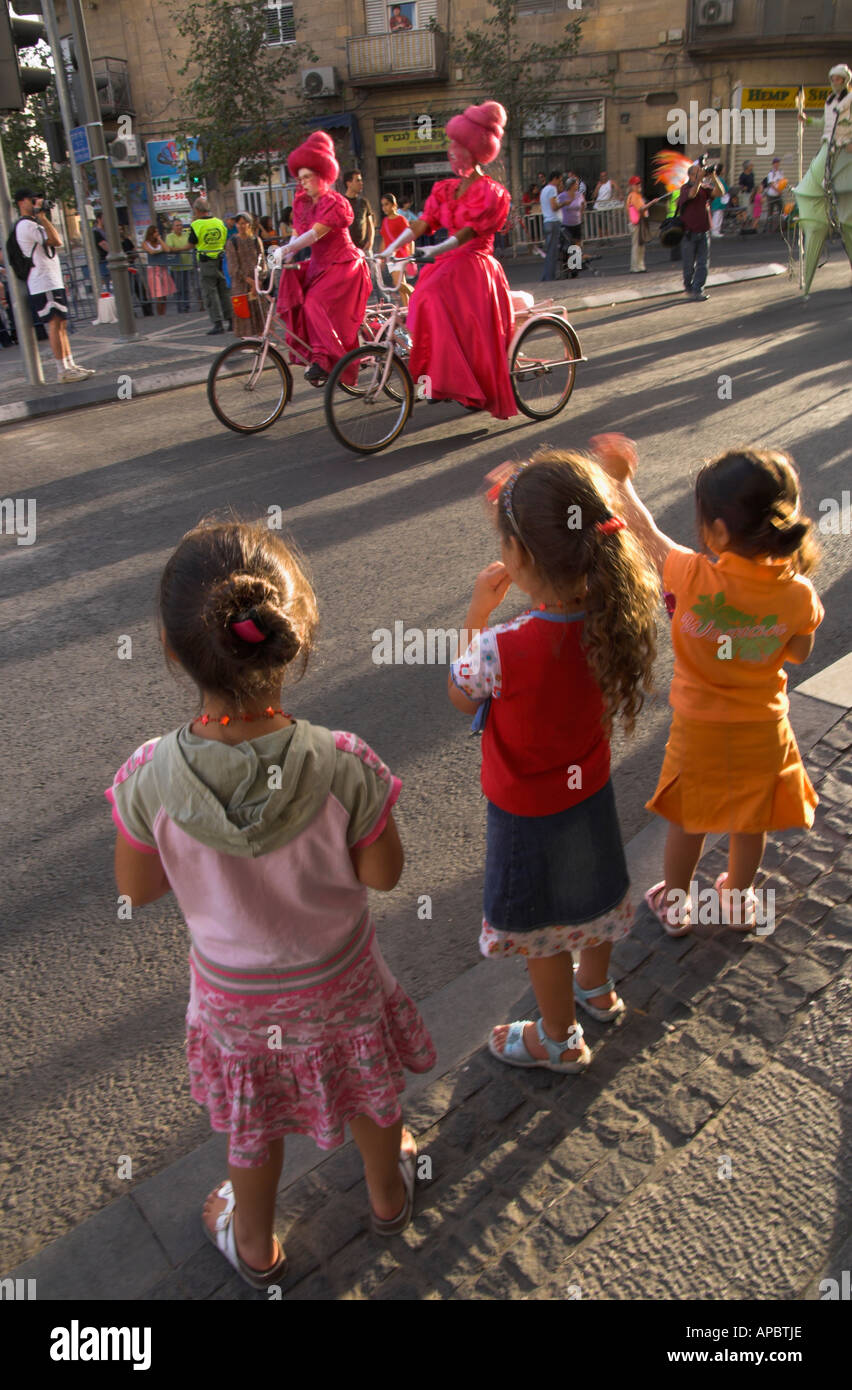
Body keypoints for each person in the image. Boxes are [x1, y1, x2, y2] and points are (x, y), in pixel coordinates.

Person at [105, 518, 436, 1288]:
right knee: (369, 1083)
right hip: (341, 979)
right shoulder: (344, 762)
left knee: (253, 1126)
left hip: (234, 998)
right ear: (296, 629)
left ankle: (254, 1243)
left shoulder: (148, 778)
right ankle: (388, 1194)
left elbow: (138, 887)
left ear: (170, 647)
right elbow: (383, 874)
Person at [447, 449, 658, 1072]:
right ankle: (598, 990)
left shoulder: (501, 647)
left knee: (543, 934)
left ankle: (559, 1039)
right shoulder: (616, 617)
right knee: (592, 902)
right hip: (589, 793)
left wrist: (476, 615)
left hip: (528, 812)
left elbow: (462, 695)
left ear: (517, 559)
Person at [594, 436, 823, 937]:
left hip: (699, 730)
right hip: (764, 728)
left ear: (718, 530)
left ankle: (676, 904)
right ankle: (739, 901)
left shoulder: (692, 575)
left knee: (689, 820)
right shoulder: (798, 594)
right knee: (751, 819)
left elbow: (645, 533)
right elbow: (799, 653)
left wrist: (619, 480)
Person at [376, 100, 515, 417]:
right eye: (451, 144)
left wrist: (436, 250)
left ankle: (451, 382)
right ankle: (440, 381)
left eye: (459, 144)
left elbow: (470, 231)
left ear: (476, 149)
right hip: (450, 263)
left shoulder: (491, 192)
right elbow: (424, 223)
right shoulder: (446, 188)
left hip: (475, 265)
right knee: (423, 303)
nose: (452, 150)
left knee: (429, 298)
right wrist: (388, 249)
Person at [273, 132, 371, 386]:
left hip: (344, 264)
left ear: (321, 175)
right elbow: (296, 238)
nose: (303, 183)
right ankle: (320, 358)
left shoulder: (334, 202)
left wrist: (286, 250)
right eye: (301, 178)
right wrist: (281, 256)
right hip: (320, 265)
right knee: (297, 295)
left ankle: (330, 361)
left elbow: (314, 236)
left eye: (308, 177)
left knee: (314, 302)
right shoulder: (302, 205)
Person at [11, 188, 94, 382]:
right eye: (33, 199)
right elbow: (56, 240)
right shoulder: (26, 225)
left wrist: (40, 217)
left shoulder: (35, 224)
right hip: (42, 282)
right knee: (55, 324)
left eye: (39, 199)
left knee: (62, 324)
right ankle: (61, 370)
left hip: (51, 280)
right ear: (22, 202)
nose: (38, 202)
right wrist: (42, 216)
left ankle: (69, 364)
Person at [795, 62, 852, 295]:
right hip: (827, 150)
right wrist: (807, 120)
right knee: (809, 187)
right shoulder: (829, 101)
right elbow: (825, 125)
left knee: (849, 218)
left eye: (839, 79)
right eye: (833, 78)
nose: (835, 82)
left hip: (846, 150)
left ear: (846, 81)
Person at [676, 160, 724, 301]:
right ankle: (689, 287)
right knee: (688, 265)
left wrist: (714, 176)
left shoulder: (704, 188)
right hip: (688, 234)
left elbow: (720, 192)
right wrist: (699, 180)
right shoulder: (685, 189)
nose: (702, 173)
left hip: (703, 233)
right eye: (698, 172)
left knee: (703, 264)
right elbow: (692, 194)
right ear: (691, 175)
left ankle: (698, 290)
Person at [189, 196, 232, 335]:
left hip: (206, 261)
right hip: (221, 259)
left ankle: (218, 323)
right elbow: (225, 240)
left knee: (210, 293)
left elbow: (191, 243)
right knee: (224, 292)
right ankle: (231, 321)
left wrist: (172, 249)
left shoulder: (196, 225)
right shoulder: (220, 223)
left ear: (196, 210)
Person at [226, 213, 266, 337]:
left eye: (244, 223)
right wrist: (249, 281)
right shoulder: (232, 242)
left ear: (249, 224)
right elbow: (233, 266)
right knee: (243, 312)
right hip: (241, 283)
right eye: (239, 223)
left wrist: (259, 279)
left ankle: (261, 337)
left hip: (256, 281)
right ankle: (247, 340)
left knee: (259, 310)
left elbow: (262, 260)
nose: (241, 226)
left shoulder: (255, 240)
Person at [379, 192, 412, 304]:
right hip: (390, 257)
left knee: (398, 283)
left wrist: (410, 256)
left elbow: (410, 236)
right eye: (383, 205)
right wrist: (381, 257)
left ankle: (415, 293)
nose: (384, 208)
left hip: (401, 256)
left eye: (386, 204)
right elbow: (384, 240)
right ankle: (408, 310)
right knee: (399, 285)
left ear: (394, 204)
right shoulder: (385, 221)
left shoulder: (401, 220)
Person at [141, 224, 176, 316]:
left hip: (162, 268)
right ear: (151, 233)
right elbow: (151, 251)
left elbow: (167, 250)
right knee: (158, 294)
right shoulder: (146, 243)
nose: (157, 233)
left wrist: (160, 239)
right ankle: (159, 313)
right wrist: (160, 251)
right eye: (155, 232)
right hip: (153, 269)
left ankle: (163, 313)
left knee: (164, 294)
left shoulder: (159, 242)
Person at [555, 176, 584, 277]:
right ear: (571, 185)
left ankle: (575, 268)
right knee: (567, 247)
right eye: (576, 184)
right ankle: (566, 267)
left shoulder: (579, 195)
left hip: (577, 223)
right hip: (566, 224)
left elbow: (582, 205)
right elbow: (557, 206)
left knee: (577, 246)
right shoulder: (562, 196)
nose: (577, 185)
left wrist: (581, 214)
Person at [538, 170, 563, 281]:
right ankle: (550, 277)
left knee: (550, 252)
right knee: (552, 253)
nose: (560, 183)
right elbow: (554, 206)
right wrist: (563, 204)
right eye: (560, 180)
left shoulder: (544, 190)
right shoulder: (552, 189)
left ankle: (546, 276)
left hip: (547, 221)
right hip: (553, 221)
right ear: (555, 179)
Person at [343, 169, 375, 253]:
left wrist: (370, 242)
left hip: (363, 248)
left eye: (361, 180)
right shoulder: (341, 202)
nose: (361, 183)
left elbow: (370, 224)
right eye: (357, 180)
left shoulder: (364, 202)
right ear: (348, 183)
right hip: (346, 249)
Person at [165, 218, 193, 313]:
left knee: (186, 287)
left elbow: (190, 246)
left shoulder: (187, 235)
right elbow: (170, 248)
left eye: (180, 225)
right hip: (176, 266)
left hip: (187, 264)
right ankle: (180, 306)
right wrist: (183, 248)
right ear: (173, 227)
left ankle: (186, 305)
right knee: (178, 288)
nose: (179, 227)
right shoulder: (170, 236)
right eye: (177, 225)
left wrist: (179, 249)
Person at [626, 175, 650, 272]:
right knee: (637, 245)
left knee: (640, 245)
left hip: (638, 222)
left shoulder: (637, 195)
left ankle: (639, 266)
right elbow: (640, 209)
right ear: (632, 186)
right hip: (636, 223)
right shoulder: (634, 196)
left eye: (639, 183)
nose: (639, 185)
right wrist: (651, 203)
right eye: (636, 184)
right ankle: (636, 267)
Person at [92, 211, 111, 292]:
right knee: (108, 285)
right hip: (104, 261)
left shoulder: (108, 231)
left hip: (109, 260)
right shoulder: (96, 232)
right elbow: (103, 244)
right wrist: (115, 251)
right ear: (99, 219)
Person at [710, 165, 729, 238]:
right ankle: (715, 231)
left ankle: (717, 230)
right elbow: (725, 189)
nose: (724, 170)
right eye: (723, 169)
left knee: (719, 215)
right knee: (717, 215)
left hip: (718, 200)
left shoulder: (718, 179)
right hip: (718, 200)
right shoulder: (719, 179)